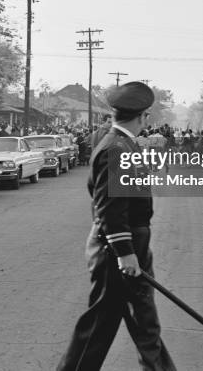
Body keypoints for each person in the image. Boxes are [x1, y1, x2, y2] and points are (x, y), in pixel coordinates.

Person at [57, 82, 176, 371]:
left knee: (143, 323)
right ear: (141, 118)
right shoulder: (117, 149)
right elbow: (110, 207)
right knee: (104, 325)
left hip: (127, 247)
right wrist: (125, 252)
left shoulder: (120, 144)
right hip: (117, 252)